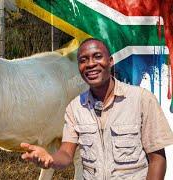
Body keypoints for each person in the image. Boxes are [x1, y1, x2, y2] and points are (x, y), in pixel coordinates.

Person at [20, 38, 173, 179]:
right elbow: (66, 154)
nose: (91, 64)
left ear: (111, 61)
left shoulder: (141, 99)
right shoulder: (75, 108)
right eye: (83, 60)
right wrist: (50, 159)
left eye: (97, 56)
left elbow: (157, 159)